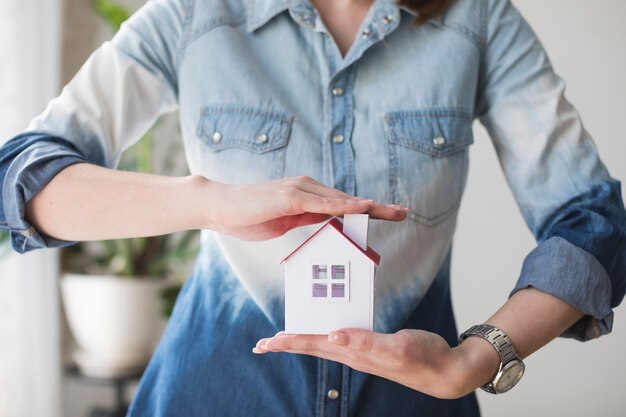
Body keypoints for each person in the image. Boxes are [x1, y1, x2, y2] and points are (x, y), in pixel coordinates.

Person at [1, 0, 625, 415]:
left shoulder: (479, 20)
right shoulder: (195, 13)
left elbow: (595, 225)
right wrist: (210, 203)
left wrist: (474, 360)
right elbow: (22, 177)